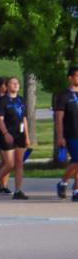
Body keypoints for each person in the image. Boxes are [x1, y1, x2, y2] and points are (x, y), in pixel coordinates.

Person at [0, 76, 31, 200]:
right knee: (10, 163)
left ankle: (18, 190)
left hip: (20, 135)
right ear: (7, 86)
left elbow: (24, 118)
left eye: (17, 83)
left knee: (19, 163)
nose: (16, 85)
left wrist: (27, 136)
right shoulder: (2, 101)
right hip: (8, 135)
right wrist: (5, 133)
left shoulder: (21, 100)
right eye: (13, 83)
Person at [54, 65, 78, 201]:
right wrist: (60, 136)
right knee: (77, 160)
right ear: (70, 78)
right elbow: (59, 117)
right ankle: (63, 182)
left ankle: (76, 191)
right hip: (71, 134)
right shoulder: (64, 95)